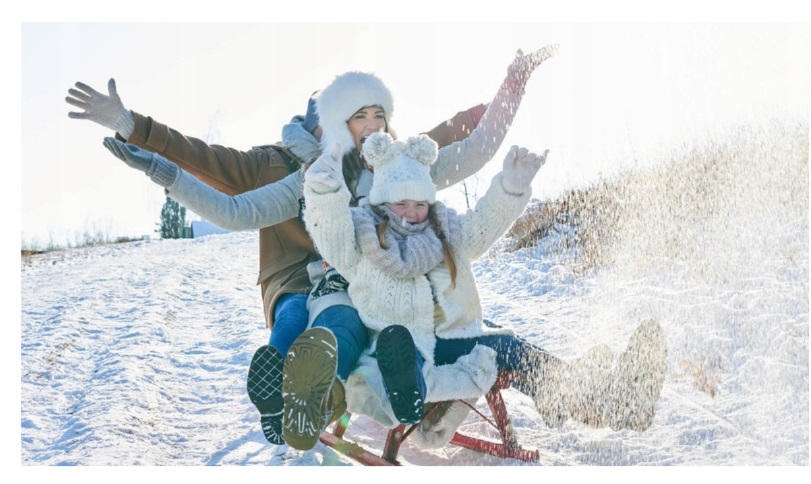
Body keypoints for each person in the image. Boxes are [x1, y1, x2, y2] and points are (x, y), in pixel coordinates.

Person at [92, 45, 559, 450]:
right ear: (335, 124)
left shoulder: (398, 162)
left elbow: (469, 146)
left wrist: (513, 85)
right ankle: (304, 401)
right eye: (360, 117)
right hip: (330, 289)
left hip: (412, 293)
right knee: (329, 320)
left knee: (481, 334)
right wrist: (149, 152)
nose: (374, 126)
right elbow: (233, 208)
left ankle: (563, 388)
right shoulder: (304, 175)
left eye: (380, 115)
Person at [302, 123, 667, 444]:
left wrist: (510, 187)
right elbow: (330, 234)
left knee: (510, 347)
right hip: (392, 343)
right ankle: (408, 391)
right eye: (401, 203)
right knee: (407, 348)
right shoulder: (362, 237)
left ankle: (605, 398)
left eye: (420, 202)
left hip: (451, 338)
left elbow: (482, 225)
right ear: (382, 200)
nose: (413, 212)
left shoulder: (444, 230)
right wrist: (323, 194)